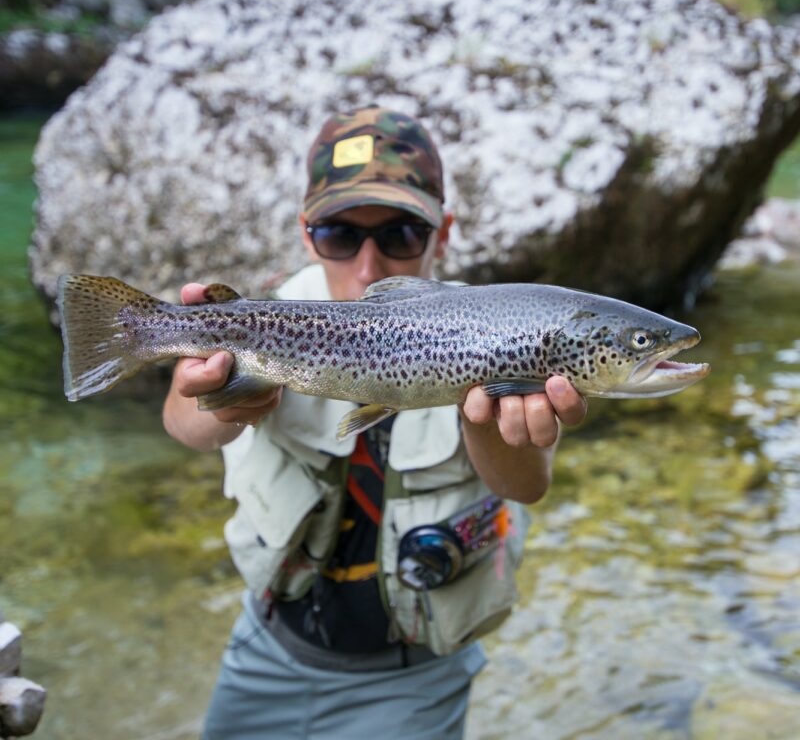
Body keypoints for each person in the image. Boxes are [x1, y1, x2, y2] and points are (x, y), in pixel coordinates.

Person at [162, 106, 587, 739]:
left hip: (417, 677)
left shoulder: (502, 331)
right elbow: (184, 426)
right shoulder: (268, 321)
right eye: (339, 235)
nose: (367, 267)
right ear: (308, 234)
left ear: (442, 233)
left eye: (399, 236)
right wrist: (211, 401)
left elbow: (525, 489)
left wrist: (486, 424)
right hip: (270, 647)